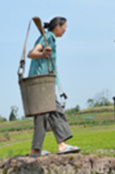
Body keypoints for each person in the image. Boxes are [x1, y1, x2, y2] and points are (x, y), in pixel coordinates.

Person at [27, 16, 80, 157]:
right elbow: (31, 53)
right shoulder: (48, 37)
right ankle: (60, 145)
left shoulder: (49, 38)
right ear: (58, 26)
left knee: (44, 114)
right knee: (54, 111)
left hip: (41, 81)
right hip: (41, 82)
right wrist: (43, 54)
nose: (65, 30)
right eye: (64, 27)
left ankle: (37, 150)